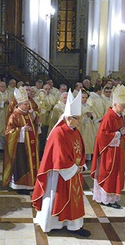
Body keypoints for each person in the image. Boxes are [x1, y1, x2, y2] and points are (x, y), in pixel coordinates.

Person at [32, 90, 90, 237]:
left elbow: (80, 149)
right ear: (69, 118)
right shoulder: (59, 132)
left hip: (73, 171)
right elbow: (59, 156)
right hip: (60, 174)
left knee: (74, 198)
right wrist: (73, 168)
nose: (79, 120)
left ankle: (73, 224)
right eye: (77, 118)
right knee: (57, 197)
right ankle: (54, 224)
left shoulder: (74, 129)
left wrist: (81, 164)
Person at [90, 85, 125, 209]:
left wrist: (123, 132)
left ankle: (111, 197)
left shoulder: (119, 116)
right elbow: (102, 136)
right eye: (122, 106)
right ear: (115, 104)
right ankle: (105, 198)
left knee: (117, 173)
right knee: (108, 173)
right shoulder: (109, 117)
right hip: (109, 151)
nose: (123, 108)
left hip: (118, 150)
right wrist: (118, 134)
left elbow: (121, 130)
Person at [3, 87, 39, 190]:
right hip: (19, 146)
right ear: (19, 105)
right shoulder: (14, 115)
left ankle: (30, 183)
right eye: (26, 104)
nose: (28, 106)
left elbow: (34, 125)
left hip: (30, 144)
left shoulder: (28, 114)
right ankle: (19, 185)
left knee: (29, 164)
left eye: (28, 104)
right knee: (21, 165)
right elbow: (9, 131)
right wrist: (22, 130)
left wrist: (35, 119)